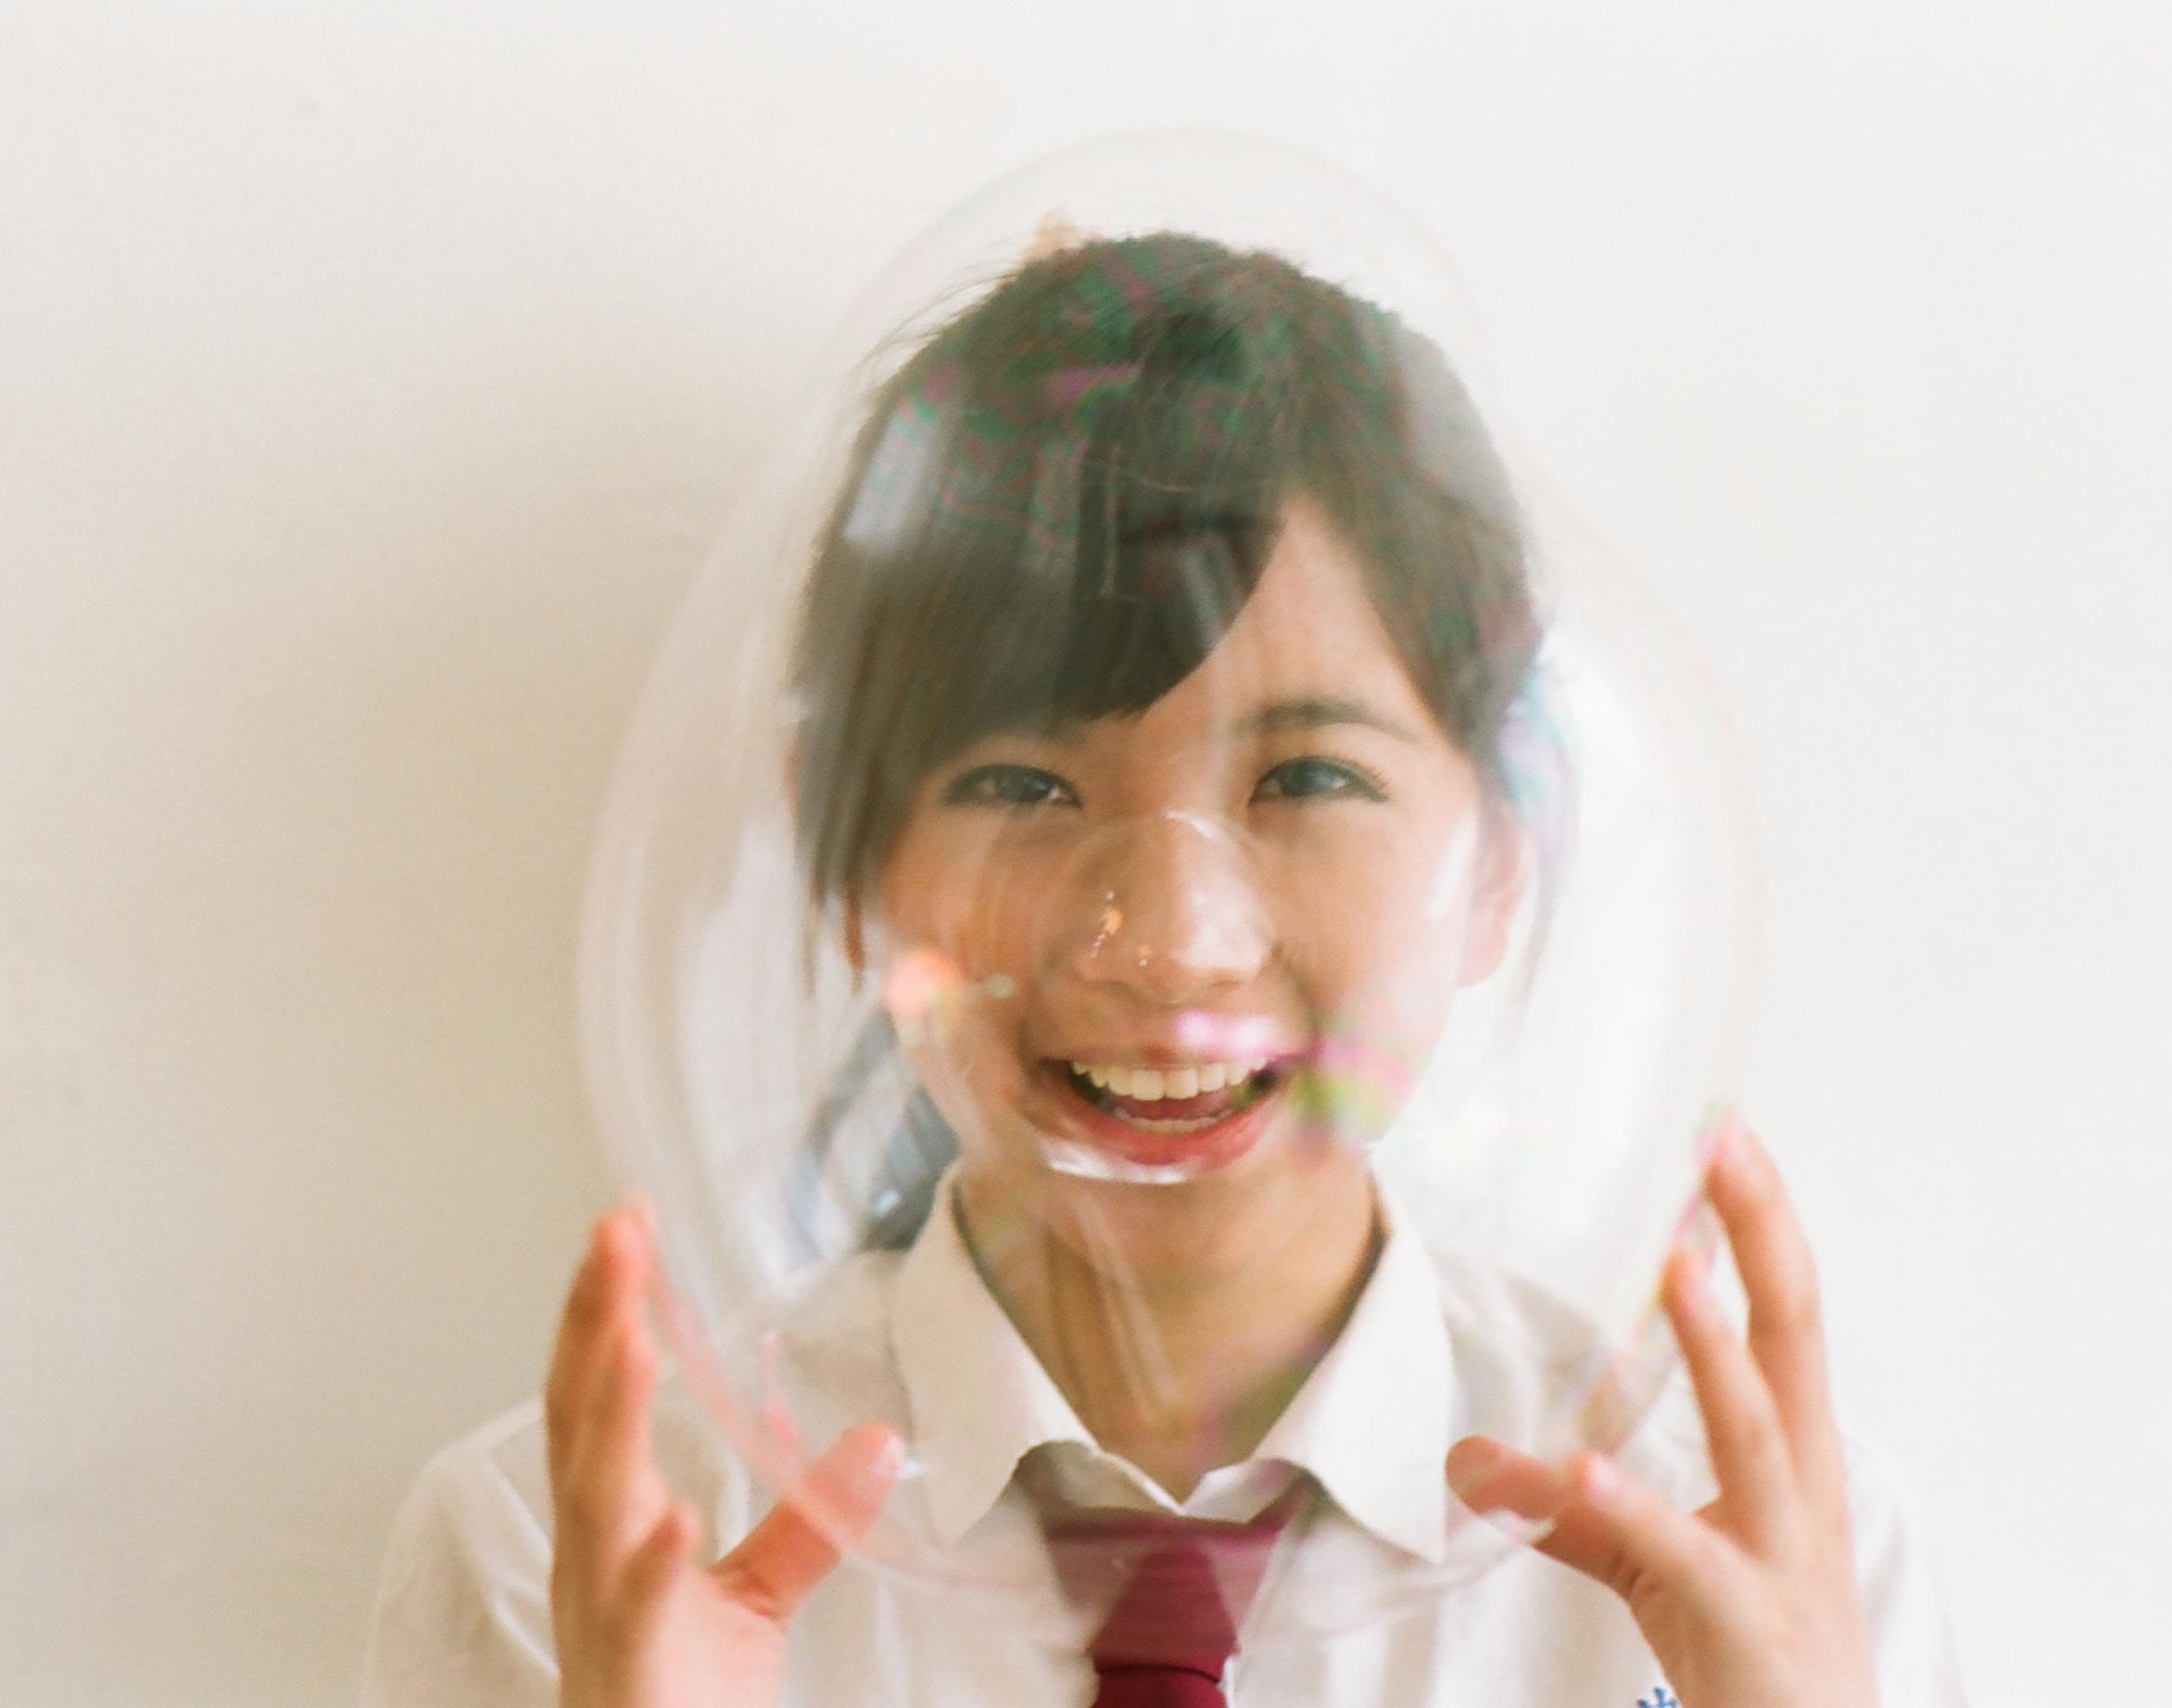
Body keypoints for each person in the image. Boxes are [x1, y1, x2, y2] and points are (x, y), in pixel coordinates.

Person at [361, 234, 1965, 1706]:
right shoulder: (574, 1553)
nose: (1171, 940)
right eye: (1020, 783)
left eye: (1309, 779)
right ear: (850, 862)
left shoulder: (1757, 1555)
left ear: (1496, 859)